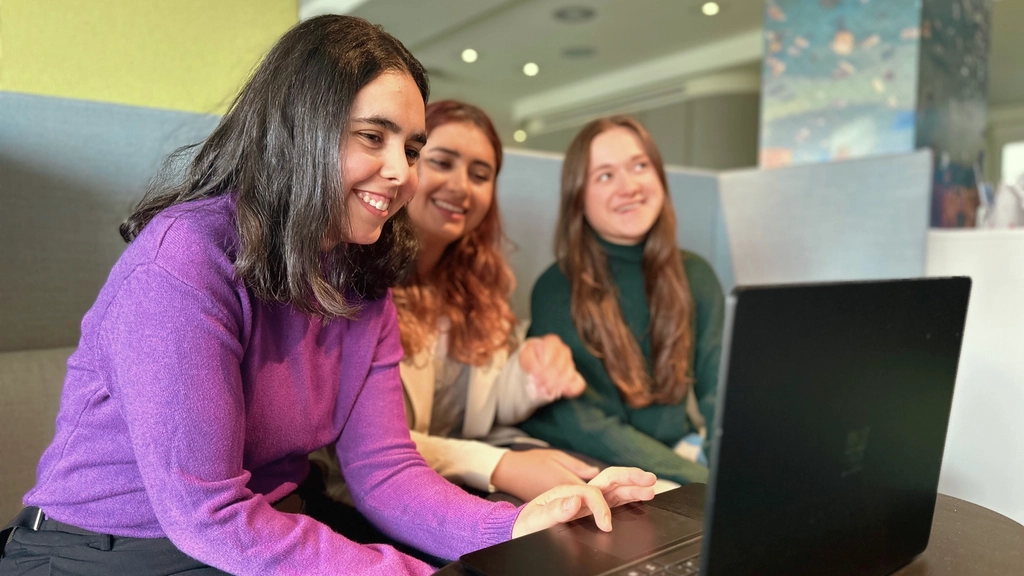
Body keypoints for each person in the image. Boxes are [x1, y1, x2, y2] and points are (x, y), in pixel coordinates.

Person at [0, 18, 656, 576]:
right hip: (106, 551)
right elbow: (210, 516)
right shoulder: (184, 263)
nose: (401, 172)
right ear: (298, 129)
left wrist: (516, 528)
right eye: (373, 137)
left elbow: (386, 472)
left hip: (257, 529)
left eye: (411, 146)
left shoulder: (361, 274)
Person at [395, 100, 597, 502]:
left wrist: (531, 369)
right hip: (389, 498)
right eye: (442, 162)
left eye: (480, 174)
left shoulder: (477, 283)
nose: (461, 186)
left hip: (465, 479)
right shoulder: (356, 287)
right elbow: (371, 450)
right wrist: (497, 466)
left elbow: (492, 407)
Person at [521, 116, 725, 487]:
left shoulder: (696, 275)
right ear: (578, 198)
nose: (629, 186)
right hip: (597, 466)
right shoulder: (558, 286)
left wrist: (725, 469)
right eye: (605, 175)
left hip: (676, 460)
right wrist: (703, 482)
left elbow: (719, 393)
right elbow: (588, 426)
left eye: (639, 166)